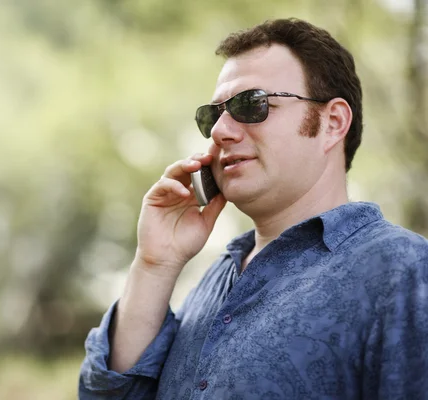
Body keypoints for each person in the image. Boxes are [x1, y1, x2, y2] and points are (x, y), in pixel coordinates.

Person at [78, 18, 428, 399]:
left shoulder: (404, 269)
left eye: (251, 104)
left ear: (332, 123)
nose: (219, 131)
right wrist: (154, 264)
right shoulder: (212, 284)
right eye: (213, 115)